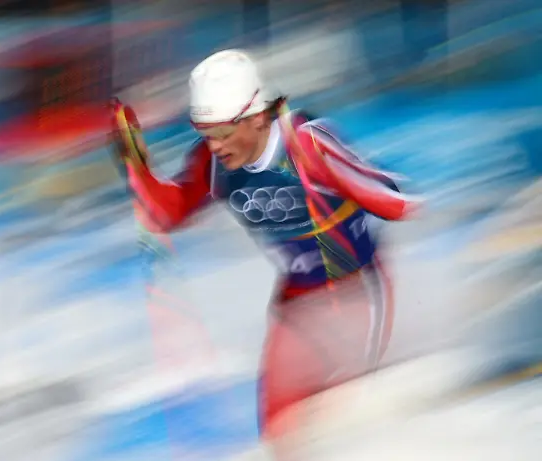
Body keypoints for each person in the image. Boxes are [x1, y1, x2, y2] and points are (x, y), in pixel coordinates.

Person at [110, 49, 421, 457]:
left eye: (222, 133)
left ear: (256, 117)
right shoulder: (213, 163)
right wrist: (135, 163)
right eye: (205, 133)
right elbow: (166, 214)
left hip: (357, 293)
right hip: (296, 299)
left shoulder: (308, 145)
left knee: (344, 426)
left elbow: (390, 198)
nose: (214, 145)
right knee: (279, 435)